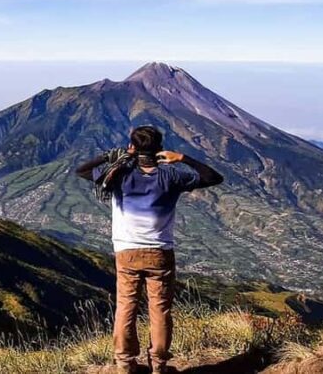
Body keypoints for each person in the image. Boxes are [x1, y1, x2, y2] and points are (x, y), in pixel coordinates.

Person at [76, 126, 223, 374]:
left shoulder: (118, 175)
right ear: (159, 148)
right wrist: (183, 158)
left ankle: (124, 363)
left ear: (133, 146)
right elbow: (213, 178)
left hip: (127, 252)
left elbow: (81, 171)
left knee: (126, 306)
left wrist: (115, 155)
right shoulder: (172, 176)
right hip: (160, 254)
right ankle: (159, 365)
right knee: (160, 310)